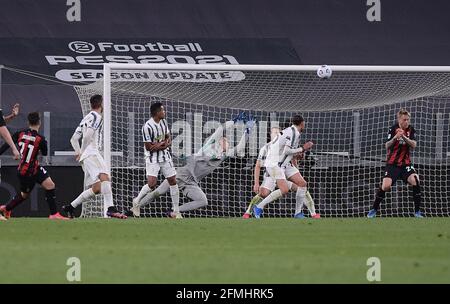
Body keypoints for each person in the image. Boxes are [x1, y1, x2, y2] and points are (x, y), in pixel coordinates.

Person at [63, 94, 126, 219]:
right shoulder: (97, 117)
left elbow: (74, 139)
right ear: (101, 104)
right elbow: (87, 136)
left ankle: (70, 207)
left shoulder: (86, 117)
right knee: (105, 177)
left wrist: (79, 152)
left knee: (96, 188)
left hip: (87, 156)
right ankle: (111, 209)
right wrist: (83, 151)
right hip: (91, 153)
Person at [0, 112, 68, 220]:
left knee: (49, 185)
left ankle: (54, 214)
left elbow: (7, 144)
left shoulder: (20, 133)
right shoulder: (41, 139)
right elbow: (45, 153)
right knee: (24, 194)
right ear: (39, 123)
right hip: (29, 171)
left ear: (28, 122)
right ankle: (7, 208)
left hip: (27, 169)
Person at [367, 109, 422, 218]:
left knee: (415, 179)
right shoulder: (393, 129)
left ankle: (417, 212)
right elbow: (387, 145)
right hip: (392, 164)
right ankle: (373, 209)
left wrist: (403, 137)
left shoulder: (411, 130)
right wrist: (395, 138)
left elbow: (414, 145)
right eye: (404, 120)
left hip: (406, 164)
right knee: (386, 186)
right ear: (399, 120)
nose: (407, 122)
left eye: (408, 119)